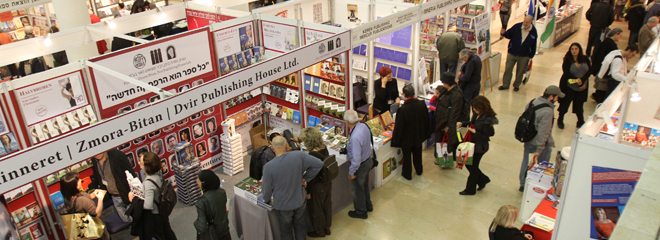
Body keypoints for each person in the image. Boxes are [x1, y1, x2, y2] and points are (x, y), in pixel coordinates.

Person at [262, 136, 323, 240]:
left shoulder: (268, 167)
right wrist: (305, 178)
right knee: (300, 228)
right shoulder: (299, 155)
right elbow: (319, 164)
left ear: (272, 148)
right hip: (299, 201)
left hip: (283, 206)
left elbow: (266, 191)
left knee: (286, 233)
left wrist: (267, 200)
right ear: (286, 145)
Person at [518, 86, 564, 192]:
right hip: (539, 143)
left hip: (528, 138)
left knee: (526, 161)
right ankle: (537, 185)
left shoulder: (533, 102)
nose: (557, 99)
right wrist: (540, 148)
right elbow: (544, 132)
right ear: (551, 96)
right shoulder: (548, 111)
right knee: (542, 165)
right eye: (557, 97)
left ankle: (523, 184)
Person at [128, 152, 177, 240]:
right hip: (163, 210)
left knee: (161, 235)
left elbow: (148, 206)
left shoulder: (149, 183)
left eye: (141, 163)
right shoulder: (158, 173)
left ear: (147, 167)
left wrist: (135, 199)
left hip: (156, 215)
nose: (139, 164)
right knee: (168, 231)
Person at [456, 96, 496, 195]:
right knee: (470, 165)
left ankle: (470, 189)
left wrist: (475, 132)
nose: (474, 110)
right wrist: (463, 123)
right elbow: (472, 123)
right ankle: (483, 179)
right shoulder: (477, 114)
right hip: (472, 143)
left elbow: (487, 135)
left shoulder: (488, 119)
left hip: (480, 147)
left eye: (476, 108)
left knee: (473, 167)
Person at [391, 85, 431, 180]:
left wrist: (396, 139)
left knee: (407, 156)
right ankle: (419, 170)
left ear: (404, 95)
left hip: (407, 138)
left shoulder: (403, 109)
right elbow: (426, 119)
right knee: (418, 153)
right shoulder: (421, 104)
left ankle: (407, 174)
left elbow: (399, 126)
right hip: (419, 135)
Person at [90, 149, 137, 223]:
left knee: (136, 219)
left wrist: (133, 190)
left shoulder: (117, 155)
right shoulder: (95, 160)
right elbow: (96, 177)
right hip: (114, 196)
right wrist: (89, 188)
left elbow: (131, 173)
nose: (97, 154)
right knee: (126, 220)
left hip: (127, 194)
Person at [301, 127, 332, 238]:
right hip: (327, 182)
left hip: (318, 186)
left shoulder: (312, 155)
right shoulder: (324, 147)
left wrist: (308, 192)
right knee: (327, 205)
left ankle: (319, 231)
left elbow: (312, 177)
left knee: (316, 208)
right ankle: (327, 227)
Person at [61, 172, 110, 240]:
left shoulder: (68, 198)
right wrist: (100, 199)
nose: (80, 180)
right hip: (96, 232)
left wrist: (94, 194)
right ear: (74, 186)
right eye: (78, 180)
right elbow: (97, 214)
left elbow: (89, 196)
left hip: (85, 232)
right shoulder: (82, 200)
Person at [344, 110, 374, 219]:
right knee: (364, 186)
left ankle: (361, 212)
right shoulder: (363, 126)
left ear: (347, 122)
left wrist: (351, 172)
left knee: (357, 190)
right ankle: (368, 205)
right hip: (367, 161)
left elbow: (356, 160)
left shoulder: (355, 137)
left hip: (360, 166)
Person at [499, 16, 538, 92]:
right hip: (512, 52)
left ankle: (516, 85)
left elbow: (534, 44)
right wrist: (503, 34)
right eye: (524, 21)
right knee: (508, 69)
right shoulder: (517, 27)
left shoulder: (533, 31)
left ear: (531, 22)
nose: (525, 23)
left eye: (527, 22)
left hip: (524, 55)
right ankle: (505, 84)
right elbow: (509, 34)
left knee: (520, 71)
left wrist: (531, 55)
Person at [434, 72, 466, 166]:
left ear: (447, 83)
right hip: (441, 121)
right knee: (440, 141)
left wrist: (449, 126)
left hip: (447, 124)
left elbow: (454, 113)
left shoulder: (456, 95)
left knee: (446, 143)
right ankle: (441, 159)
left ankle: (445, 161)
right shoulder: (446, 89)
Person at [558, 43, 591, 129]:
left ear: (579, 49)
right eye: (572, 49)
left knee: (579, 105)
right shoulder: (567, 60)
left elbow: (589, 71)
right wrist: (577, 81)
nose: (574, 51)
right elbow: (566, 73)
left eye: (576, 49)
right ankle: (560, 119)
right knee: (565, 104)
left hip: (582, 87)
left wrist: (583, 81)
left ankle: (580, 121)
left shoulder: (585, 59)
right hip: (569, 86)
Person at [194, 170, 230, 240]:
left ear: (204, 183)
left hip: (213, 235)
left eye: (199, 180)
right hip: (225, 231)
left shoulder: (201, 202)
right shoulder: (222, 193)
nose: (197, 181)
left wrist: (196, 223)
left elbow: (202, 227)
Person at [590, 28, 623, 103]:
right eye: (620, 36)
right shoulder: (609, 44)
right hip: (604, 68)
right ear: (616, 34)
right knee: (602, 86)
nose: (621, 38)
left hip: (602, 68)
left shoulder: (607, 42)